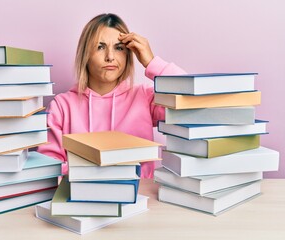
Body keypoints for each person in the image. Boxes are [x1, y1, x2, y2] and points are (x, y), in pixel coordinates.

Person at [38, 13, 186, 178]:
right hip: (84, 198)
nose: (110, 57)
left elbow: (193, 105)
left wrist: (151, 62)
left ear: (128, 54)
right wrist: (87, 175)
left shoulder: (144, 97)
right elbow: (48, 168)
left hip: (141, 197)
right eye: (100, 47)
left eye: (119, 48)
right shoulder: (62, 106)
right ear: (85, 55)